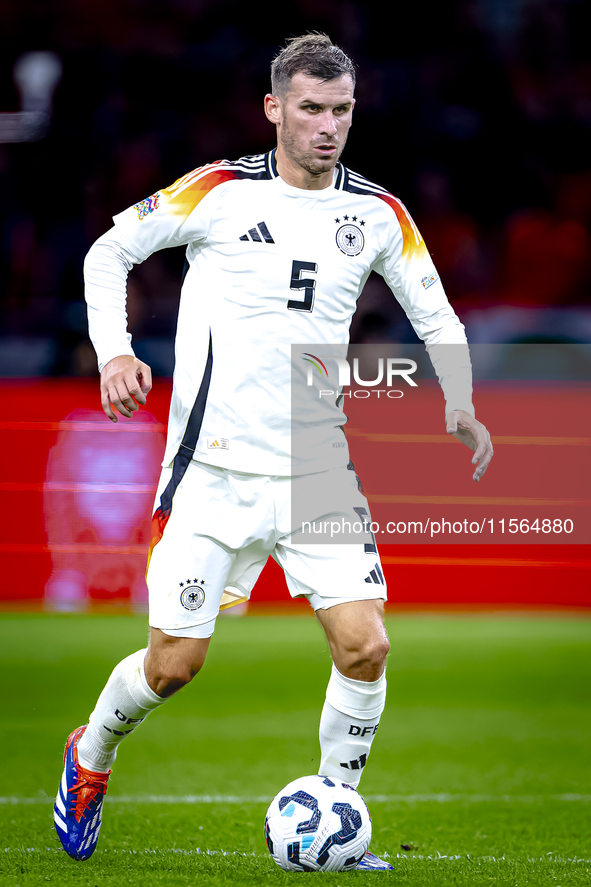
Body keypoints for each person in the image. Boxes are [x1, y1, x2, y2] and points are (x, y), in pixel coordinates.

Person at [53, 33, 493, 869]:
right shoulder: (217, 191)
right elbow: (108, 250)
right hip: (211, 472)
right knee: (174, 665)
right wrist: (114, 349)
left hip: (315, 467)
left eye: (341, 111)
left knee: (365, 644)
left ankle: (339, 812)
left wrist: (461, 399)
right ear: (274, 109)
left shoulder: (377, 215)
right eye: (311, 109)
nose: (328, 126)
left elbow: (435, 315)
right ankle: (91, 754)